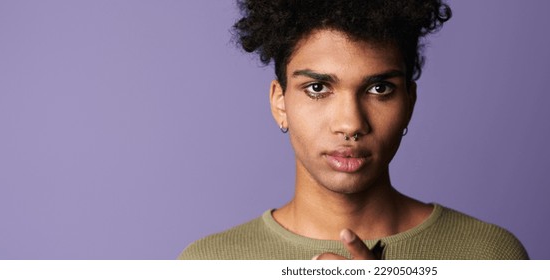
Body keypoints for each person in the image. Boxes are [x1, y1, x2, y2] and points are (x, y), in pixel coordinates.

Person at [178, 0, 528, 260]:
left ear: (409, 101)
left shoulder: (488, 255)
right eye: (317, 89)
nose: (351, 124)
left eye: (379, 89)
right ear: (280, 103)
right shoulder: (211, 263)